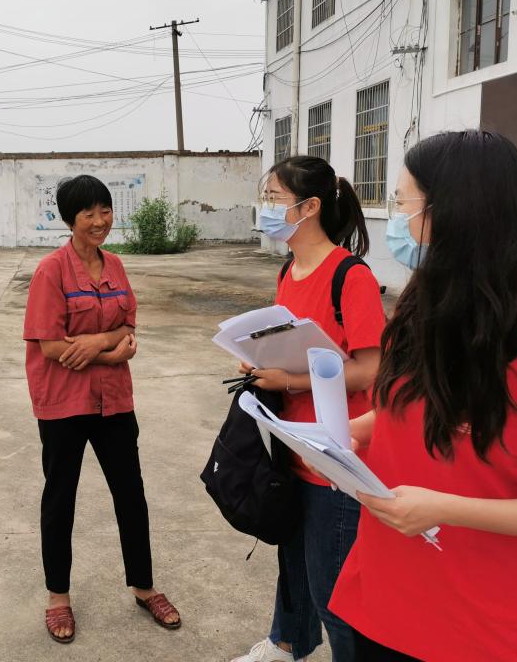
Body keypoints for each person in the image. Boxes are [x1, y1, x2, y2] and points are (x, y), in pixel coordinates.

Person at [329, 130, 517, 661]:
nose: (398, 220)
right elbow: (411, 405)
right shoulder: (419, 308)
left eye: (403, 203)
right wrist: (354, 431)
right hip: (385, 598)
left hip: (491, 628)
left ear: (455, 214)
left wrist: (445, 509)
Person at [231, 156, 385, 662]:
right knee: (294, 563)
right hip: (290, 443)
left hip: (335, 454)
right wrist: (259, 360)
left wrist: (290, 380)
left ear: (310, 206)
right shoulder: (289, 270)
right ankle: (285, 644)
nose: (265, 207)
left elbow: (370, 370)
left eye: (274, 198)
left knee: (334, 589)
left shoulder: (350, 276)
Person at [23, 174, 180, 645]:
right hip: (63, 403)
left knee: (131, 494)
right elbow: (51, 346)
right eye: (88, 213)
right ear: (69, 219)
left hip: (114, 400)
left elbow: (129, 326)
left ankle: (144, 586)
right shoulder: (51, 271)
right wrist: (109, 351)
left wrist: (96, 343)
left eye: (105, 210)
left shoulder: (115, 265)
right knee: (60, 498)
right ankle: (58, 596)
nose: (99, 221)